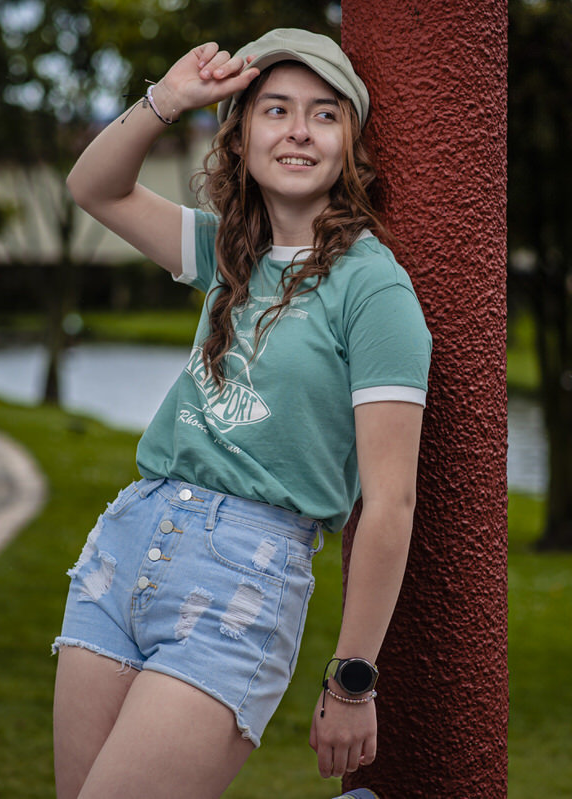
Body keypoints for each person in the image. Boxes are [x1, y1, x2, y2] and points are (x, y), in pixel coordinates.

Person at [53, 28, 431, 799]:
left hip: (243, 582)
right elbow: (95, 188)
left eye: (324, 115)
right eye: (275, 110)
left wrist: (353, 678)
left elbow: (390, 502)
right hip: (124, 550)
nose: (297, 130)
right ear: (242, 135)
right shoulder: (229, 249)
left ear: (351, 146)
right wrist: (169, 99)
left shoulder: (376, 290)